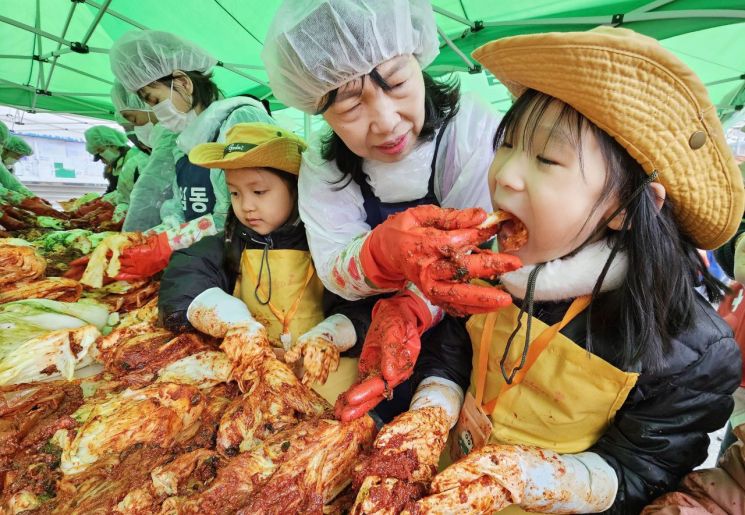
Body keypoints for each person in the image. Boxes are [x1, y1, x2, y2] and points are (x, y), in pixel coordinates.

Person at [358, 26, 744, 514]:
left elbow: (641, 472)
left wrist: (531, 477)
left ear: (627, 208)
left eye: (546, 157)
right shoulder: (489, 267)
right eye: (509, 144)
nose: (505, 175)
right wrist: (431, 411)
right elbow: (453, 350)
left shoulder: (693, 352)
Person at [262, 0, 514, 423]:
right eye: (349, 107)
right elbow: (332, 266)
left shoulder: (468, 131)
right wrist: (379, 254)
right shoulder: (325, 169)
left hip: (458, 341)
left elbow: (480, 250)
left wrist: (413, 307)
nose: (385, 121)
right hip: (368, 330)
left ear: (419, 60)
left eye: (396, 83)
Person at [158, 122, 360, 403]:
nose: (247, 206)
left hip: (332, 388)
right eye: (235, 193)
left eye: (259, 192)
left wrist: (329, 336)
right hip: (260, 392)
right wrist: (235, 322)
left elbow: (364, 307)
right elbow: (183, 276)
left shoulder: (329, 244)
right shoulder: (229, 244)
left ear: (296, 187)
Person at [106, 30, 274, 280]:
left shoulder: (240, 121)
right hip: (206, 263)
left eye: (155, 100)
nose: (156, 112)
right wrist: (151, 239)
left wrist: (168, 244)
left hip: (250, 270)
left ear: (183, 82)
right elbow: (179, 206)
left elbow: (243, 216)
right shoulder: (185, 140)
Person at [111, 80, 179, 231]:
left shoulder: (169, 138)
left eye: (133, 120)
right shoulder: (170, 138)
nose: (135, 129)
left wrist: (130, 237)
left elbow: (148, 194)